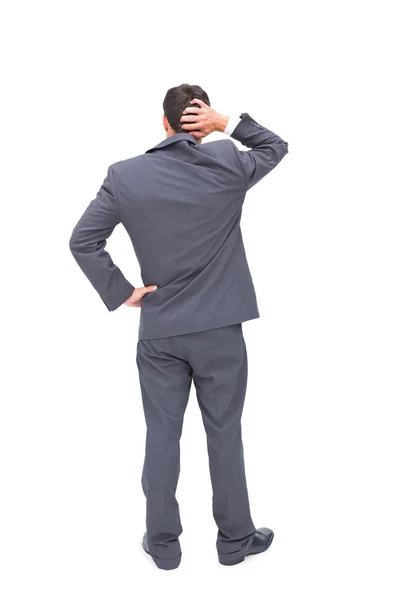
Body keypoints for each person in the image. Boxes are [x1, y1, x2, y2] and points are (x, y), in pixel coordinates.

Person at [69, 83, 289, 569]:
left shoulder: (125, 175)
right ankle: (235, 542)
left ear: (163, 122)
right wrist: (225, 123)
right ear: (199, 124)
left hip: (161, 330)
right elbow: (276, 146)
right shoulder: (227, 162)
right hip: (220, 331)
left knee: (161, 436)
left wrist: (122, 291)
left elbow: (83, 241)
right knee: (225, 433)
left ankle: (163, 546)